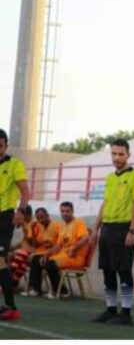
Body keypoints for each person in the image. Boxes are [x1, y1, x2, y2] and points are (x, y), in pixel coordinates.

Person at [90, 138, 134, 326]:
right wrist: (96, 228)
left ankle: (126, 312)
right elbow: (105, 203)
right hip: (107, 228)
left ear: (128, 155)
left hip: (124, 228)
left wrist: (133, 230)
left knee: (123, 270)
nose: (117, 157)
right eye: (114, 154)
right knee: (107, 270)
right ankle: (110, 309)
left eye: (121, 154)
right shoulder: (110, 177)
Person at [0, 129, 30, 321]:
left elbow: (25, 191)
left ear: (6, 145)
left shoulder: (14, 165)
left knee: (0, 260)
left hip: (4, 217)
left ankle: (11, 306)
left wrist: (21, 211)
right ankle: (9, 305)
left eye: (0, 145)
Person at [40, 202, 90, 299]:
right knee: (45, 261)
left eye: (67, 211)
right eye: (62, 211)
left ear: (72, 211)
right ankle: (61, 290)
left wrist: (74, 249)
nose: (65, 213)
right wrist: (46, 255)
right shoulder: (63, 226)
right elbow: (58, 246)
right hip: (64, 256)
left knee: (51, 265)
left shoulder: (78, 222)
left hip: (74, 258)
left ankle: (61, 291)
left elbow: (85, 237)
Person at [24, 207, 63, 296]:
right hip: (42, 253)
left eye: (42, 217)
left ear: (47, 215)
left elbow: (60, 243)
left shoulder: (56, 225)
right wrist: (32, 230)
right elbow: (35, 245)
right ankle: (36, 289)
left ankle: (58, 289)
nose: (40, 220)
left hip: (55, 252)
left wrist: (48, 254)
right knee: (35, 259)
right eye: (38, 218)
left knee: (47, 263)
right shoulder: (38, 226)